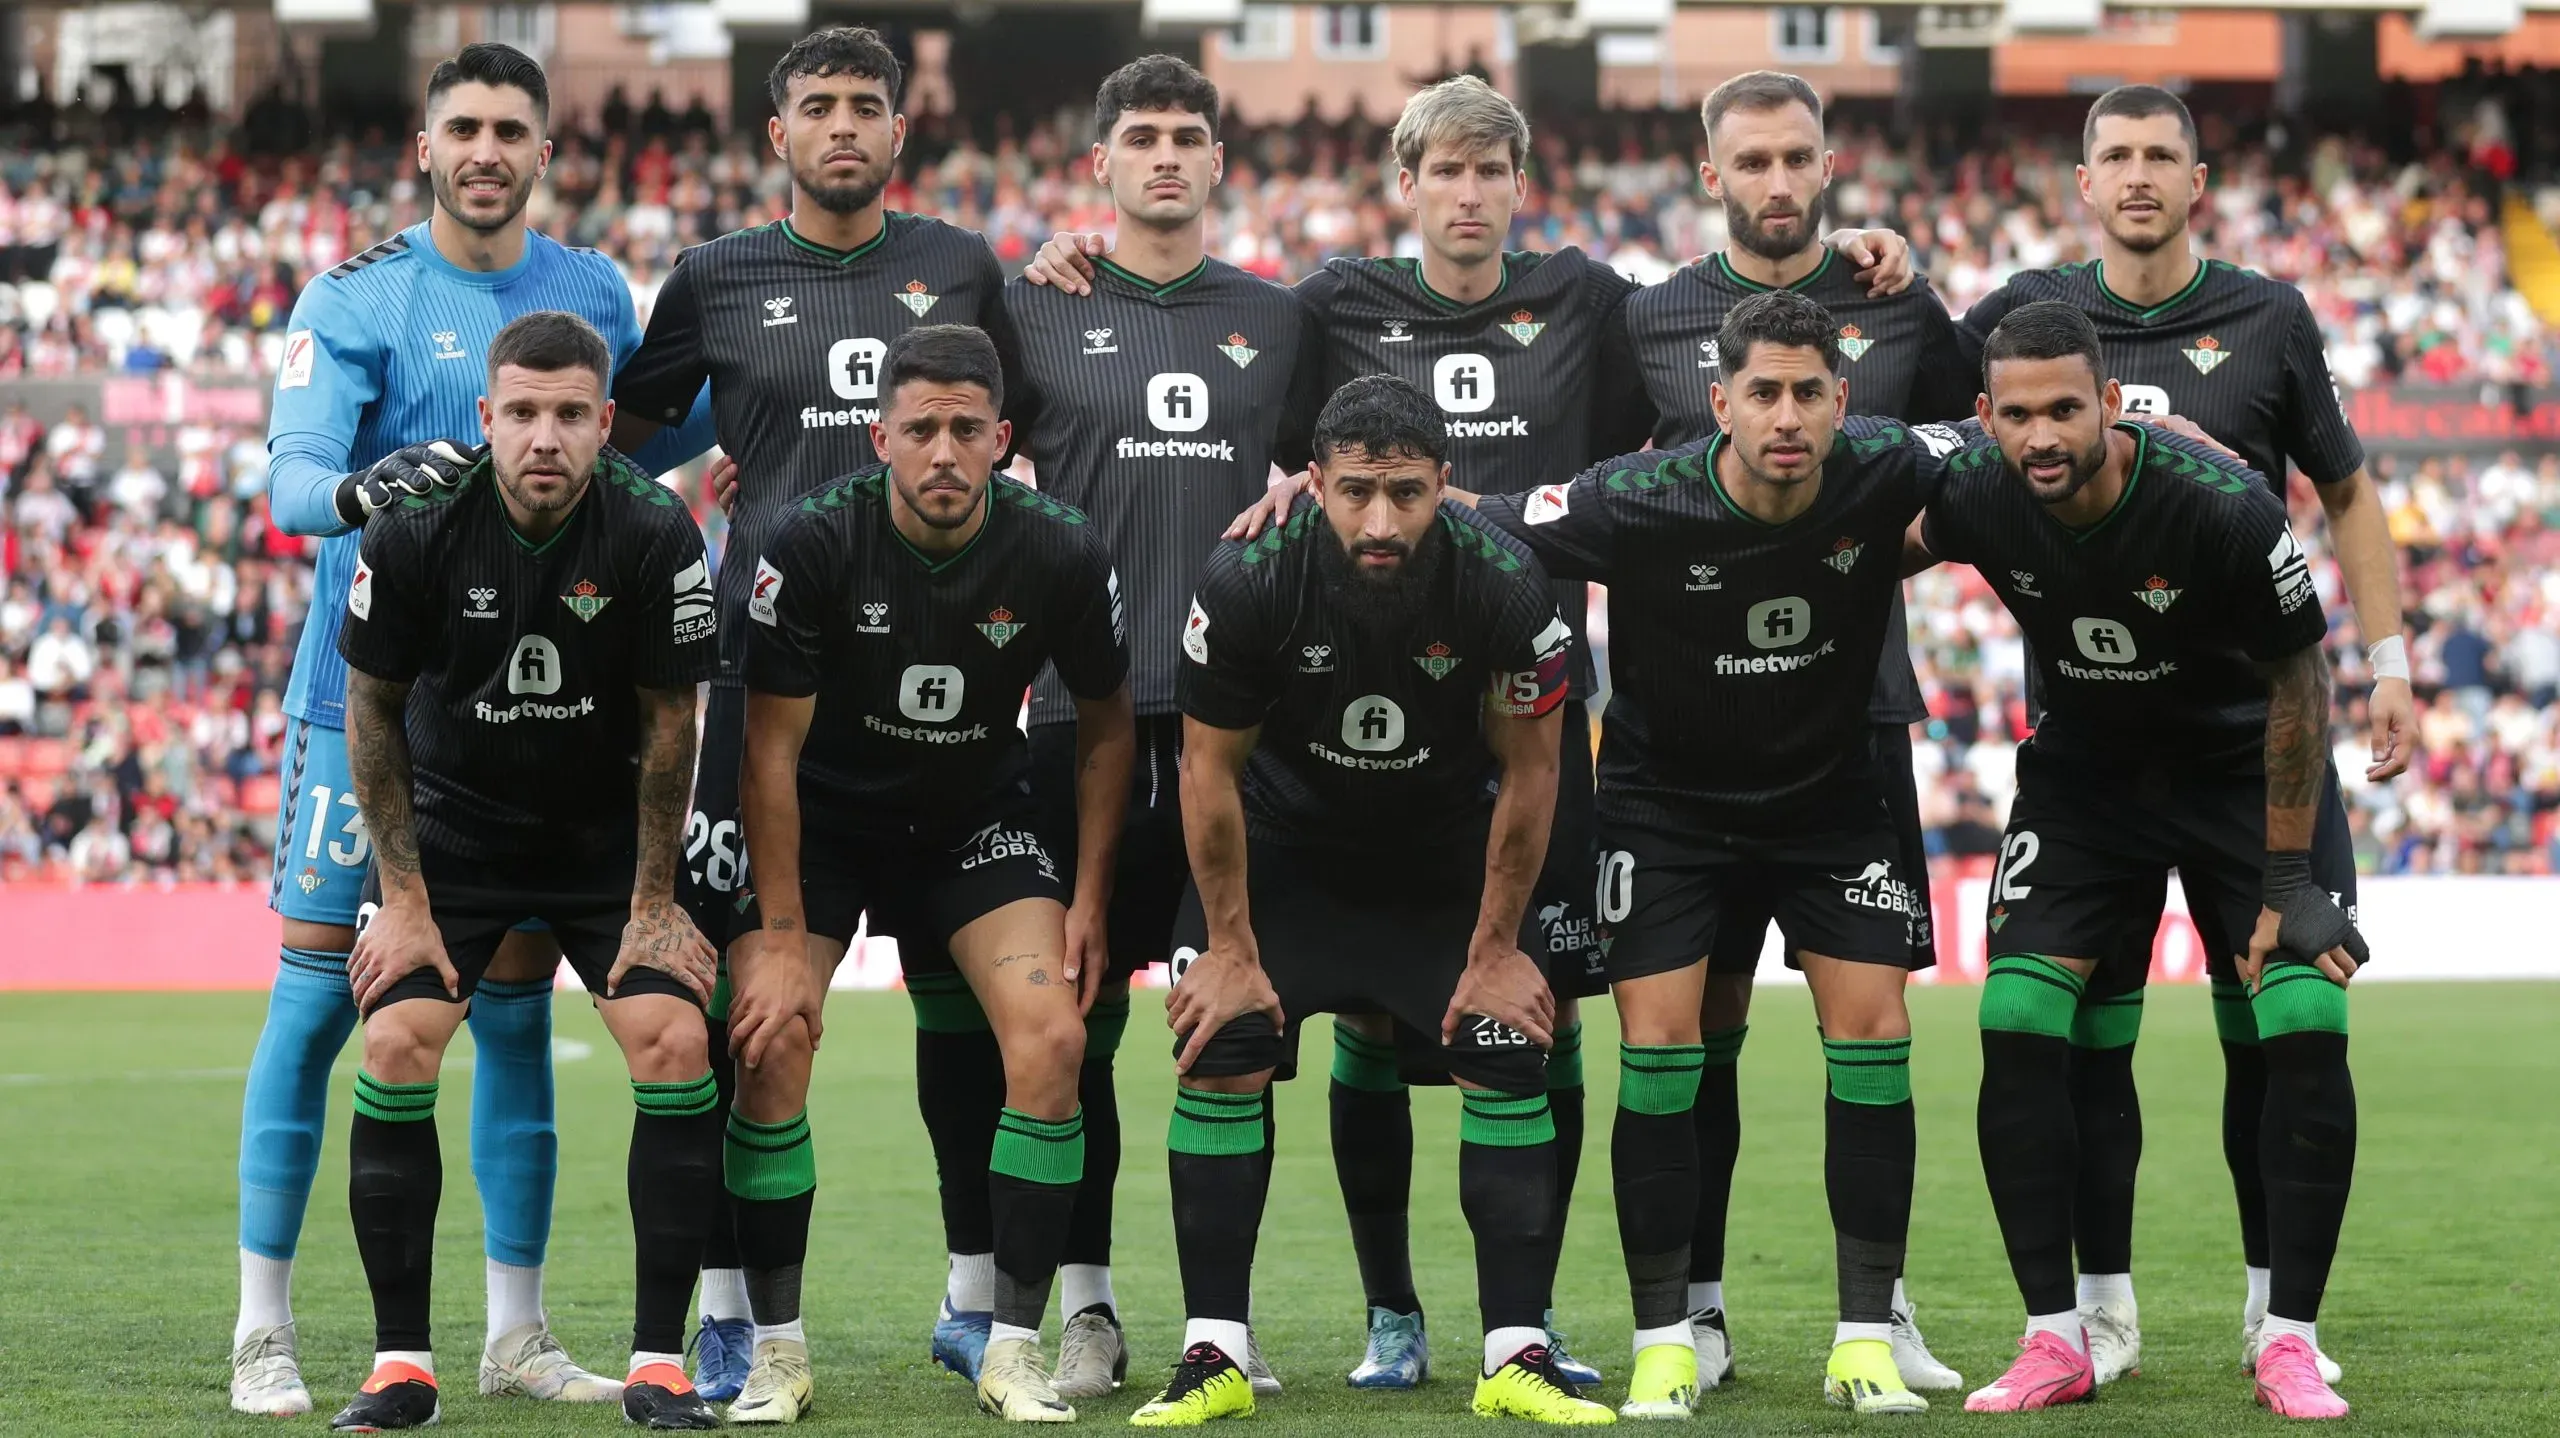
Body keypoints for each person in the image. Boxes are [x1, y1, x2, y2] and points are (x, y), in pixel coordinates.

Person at [1243, 289, 1948, 1418]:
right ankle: (1669, 1339)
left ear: (1841, 401)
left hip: (1828, 805)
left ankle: (1866, 1333)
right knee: (1660, 1047)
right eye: (1761, 391)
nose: (1785, 414)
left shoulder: (1891, 464)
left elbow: (2025, 439)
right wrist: (1327, 499)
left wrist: (2163, 432)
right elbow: (1478, 509)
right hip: (1666, 807)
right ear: (1717, 402)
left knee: (1874, 1033)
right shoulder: (1638, 494)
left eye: (1807, 392)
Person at [237, 41, 709, 1418]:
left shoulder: (589, 289)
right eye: (465, 127)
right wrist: (357, 494)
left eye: (513, 127)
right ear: (426, 147)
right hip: (367, 706)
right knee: (324, 994)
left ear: (546, 151)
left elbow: (594, 450)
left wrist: (703, 459)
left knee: (511, 1017)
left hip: (543, 722)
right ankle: (264, 1323)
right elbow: (290, 483)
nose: (488, 148)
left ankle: (516, 1328)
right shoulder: (357, 297)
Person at [1957, 85, 2408, 1384]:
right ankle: (2084, 1321)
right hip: (2088, 751)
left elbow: (2350, 491)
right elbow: (1919, 444)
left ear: (2198, 180)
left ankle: (2285, 1327)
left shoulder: (2269, 315)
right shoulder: (2024, 318)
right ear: (2081, 182)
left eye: (2164, 154)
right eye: (2118, 156)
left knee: (2281, 1026)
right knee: (2055, 1030)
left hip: (2250, 739)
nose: (2140, 175)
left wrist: (2388, 659)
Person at [605, 25, 1020, 1398]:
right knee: (750, 1001)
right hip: (757, 687)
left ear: (902, 131)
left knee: (963, 995)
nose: (844, 125)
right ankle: (728, 1309)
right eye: (818, 106)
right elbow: (621, 435)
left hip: (944, 690)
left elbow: (1046, 412)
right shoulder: (713, 277)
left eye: (868, 106)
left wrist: (1074, 283)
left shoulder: (960, 265)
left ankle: (975, 1297)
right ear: (775, 133)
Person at [1905, 302, 2363, 1420]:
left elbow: (2302, 684)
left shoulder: (2218, 505)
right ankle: (2059, 1334)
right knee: (2015, 1020)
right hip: (2087, 781)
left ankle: (2289, 1340)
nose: (2043, 435)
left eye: (2066, 408)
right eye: (2016, 415)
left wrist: (2289, 880)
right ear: (1985, 419)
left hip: (2240, 777)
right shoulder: (1972, 488)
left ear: (2111, 403)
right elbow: (1862, 546)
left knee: (2302, 1020)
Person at [1136, 373, 1606, 1427]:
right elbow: (1207, 772)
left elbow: (1533, 772)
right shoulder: (1250, 575)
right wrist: (1227, 945)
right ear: (1316, 483)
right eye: (1355, 492)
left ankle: (1514, 1350)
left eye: (1405, 491)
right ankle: (1213, 1349)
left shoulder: (1505, 581)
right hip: (1288, 849)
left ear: (1445, 483)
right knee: (1219, 1045)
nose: (1380, 519)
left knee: (1505, 1038)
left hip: (1439, 850)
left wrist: (1494, 946)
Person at [965, 54, 1319, 1401]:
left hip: (1241, 725)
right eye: (1142, 139)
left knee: (1233, 1024)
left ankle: (1220, 1323)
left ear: (1219, 161)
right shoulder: (1030, 305)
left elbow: (1338, 461)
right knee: (1081, 1024)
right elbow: (943, 442)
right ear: (1099, 166)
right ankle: (1091, 1308)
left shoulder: (1280, 319)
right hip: (1078, 715)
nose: (1166, 156)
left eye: (1189, 137)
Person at [1617, 69, 1974, 1395]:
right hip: (1680, 742)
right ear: (1710, 172)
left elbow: (1972, 468)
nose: (1776, 180)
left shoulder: (1900, 303)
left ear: (1830, 163)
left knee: (1869, 1027)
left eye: (1797, 157)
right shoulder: (1645, 320)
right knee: (1689, 1034)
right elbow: (1603, 499)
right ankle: (1696, 1312)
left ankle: (1879, 1311)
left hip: (1853, 717)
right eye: (1751, 159)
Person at [725, 323, 1136, 1424]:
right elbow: (766, 752)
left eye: (967, 430)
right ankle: (776, 1352)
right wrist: (771, 936)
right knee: (770, 1045)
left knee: (1052, 1038)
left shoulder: (1057, 544)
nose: (945, 452)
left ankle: (1010, 1347)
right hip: (829, 825)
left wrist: (1089, 897)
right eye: (921, 430)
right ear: (880, 437)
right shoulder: (808, 541)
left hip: (973, 820)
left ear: (1002, 439)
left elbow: (1105, 729)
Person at [327, 310, 723, 1432]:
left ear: (605, 424)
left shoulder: (655, 531)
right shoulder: (414, 527)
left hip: (602, 838)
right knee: (399, 1038)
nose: (543, 437)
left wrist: (652, 906)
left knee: (676, 1036)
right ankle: (402, 1364)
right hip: (456, 830)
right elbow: (372, 710)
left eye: (566, 415)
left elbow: (670, 727)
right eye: (521, 413)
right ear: (487, 418)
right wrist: (404, 900)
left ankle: (659, 1363)